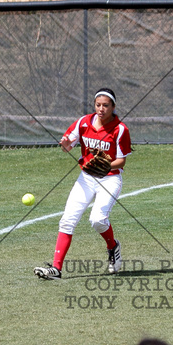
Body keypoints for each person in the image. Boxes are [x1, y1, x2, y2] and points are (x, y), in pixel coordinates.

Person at [34, 88, 131, 280]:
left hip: (109, 179)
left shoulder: (120, 130)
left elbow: (121, 161)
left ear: (113, 106)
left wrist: (104, 165)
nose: (101, 109)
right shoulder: (84, 122)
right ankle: (56, 269)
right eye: (98, 105)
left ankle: (113, 247)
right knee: (68, 220)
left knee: (97, 220)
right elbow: (67, 146)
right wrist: (64, 144)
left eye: (105, 105)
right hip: (86, 178)